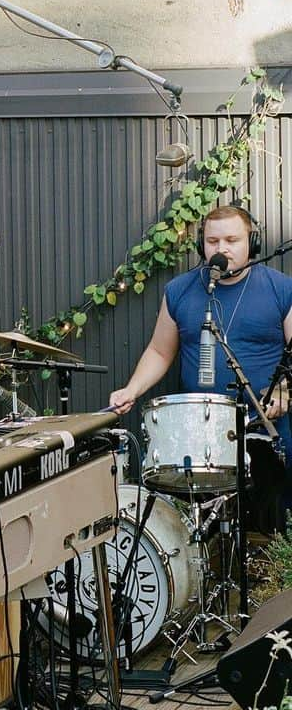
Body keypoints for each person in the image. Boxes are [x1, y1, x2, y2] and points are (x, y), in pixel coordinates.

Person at [109, 205, 292, 524]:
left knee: (274, 521)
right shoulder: (180, 290)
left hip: (267, 428)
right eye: (212, 241)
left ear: (253, 242)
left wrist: (284, 391)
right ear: (201, 245)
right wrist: (132, 389)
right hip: (201, 431)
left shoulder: (281, 288)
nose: (221, 249)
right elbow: (159, 351)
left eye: (232, 240)